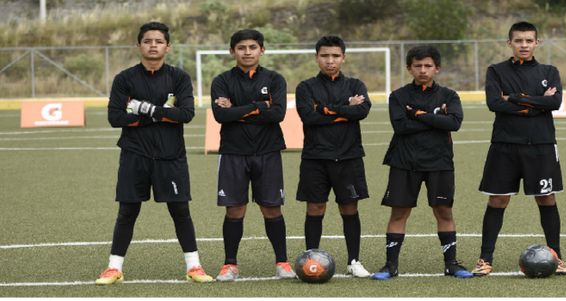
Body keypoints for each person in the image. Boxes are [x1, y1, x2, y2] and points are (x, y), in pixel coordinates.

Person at [98, 21, 213, 285]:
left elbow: (186, 114)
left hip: (170, 156)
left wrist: (145, 110)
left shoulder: (179, 77)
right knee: (127, 211)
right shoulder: (125, 78)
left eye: (158, 41)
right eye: (148, 41)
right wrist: (162, 114)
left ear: (167, 46)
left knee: (180, 210)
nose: (153, 45)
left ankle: (194, 266)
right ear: (138, 45)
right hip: (134, 154)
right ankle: (113, 268)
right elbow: (115, 118)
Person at [471, 21, 566, 276]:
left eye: (529, 40)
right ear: (509, 43)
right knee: (498, 199)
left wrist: (513, 98)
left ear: (537, 43)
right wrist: (538, 103)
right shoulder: (496, 70)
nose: (524, 45)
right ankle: (485, 259)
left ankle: (557, 257)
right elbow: (494, 104)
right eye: (518, 41)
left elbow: (556, 103)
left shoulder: (550, 70)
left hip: (541, 145)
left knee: (546, 198)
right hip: (505, 145)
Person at [371, 45, 473, 280]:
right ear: (409, 68)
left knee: (444, 211)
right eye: (418, 66)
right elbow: (401, 127)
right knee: (399, 213)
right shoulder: (398, 96)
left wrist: (417, 115)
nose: (423, 70)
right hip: (405, 161)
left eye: (428, 66)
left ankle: (451, 264)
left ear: (437, 68)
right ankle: (390, 265)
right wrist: (438, 119)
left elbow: (454, 124)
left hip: (439, 162)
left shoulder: (449, 95)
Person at [210, 29, 296, 281]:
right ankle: (229, 265)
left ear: (261, 50)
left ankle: (282, 262)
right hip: (233, 152)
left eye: (252, 47)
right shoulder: (222, 81)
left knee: (272, 209)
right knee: (234, 210)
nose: (247, 52)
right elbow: (221, 116)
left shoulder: (275, 79)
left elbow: (277, 114)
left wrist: (238, 109)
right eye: (241, 48)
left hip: (267, 151)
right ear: (232, 51)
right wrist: (260, 107)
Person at [294, 36, 372, 278]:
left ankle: (354, 261)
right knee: (315, 207)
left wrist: (325, 109)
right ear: (317, 57)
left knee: (349, 207)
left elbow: (362, 110)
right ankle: (311, 257)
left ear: (343, 57)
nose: (330, 61)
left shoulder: (356, 84)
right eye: (325, 56)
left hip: (349, 156)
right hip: (315, 158)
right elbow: (309, 117)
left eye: (335, 56)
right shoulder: (305, 87)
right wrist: (345, 108)